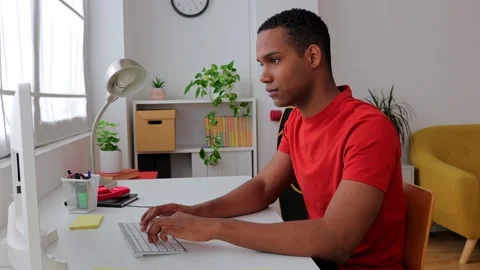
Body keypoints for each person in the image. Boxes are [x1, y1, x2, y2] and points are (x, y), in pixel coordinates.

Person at [140, 8, 407, 270]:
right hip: (315, 262)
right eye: (262, 64)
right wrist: (196, 212)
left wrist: (214, 228)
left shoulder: (368, 128)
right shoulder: (297, 121)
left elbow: (336, 241)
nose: (264, 76)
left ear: (312, 56)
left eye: (275, 60)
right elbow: (265, 186)